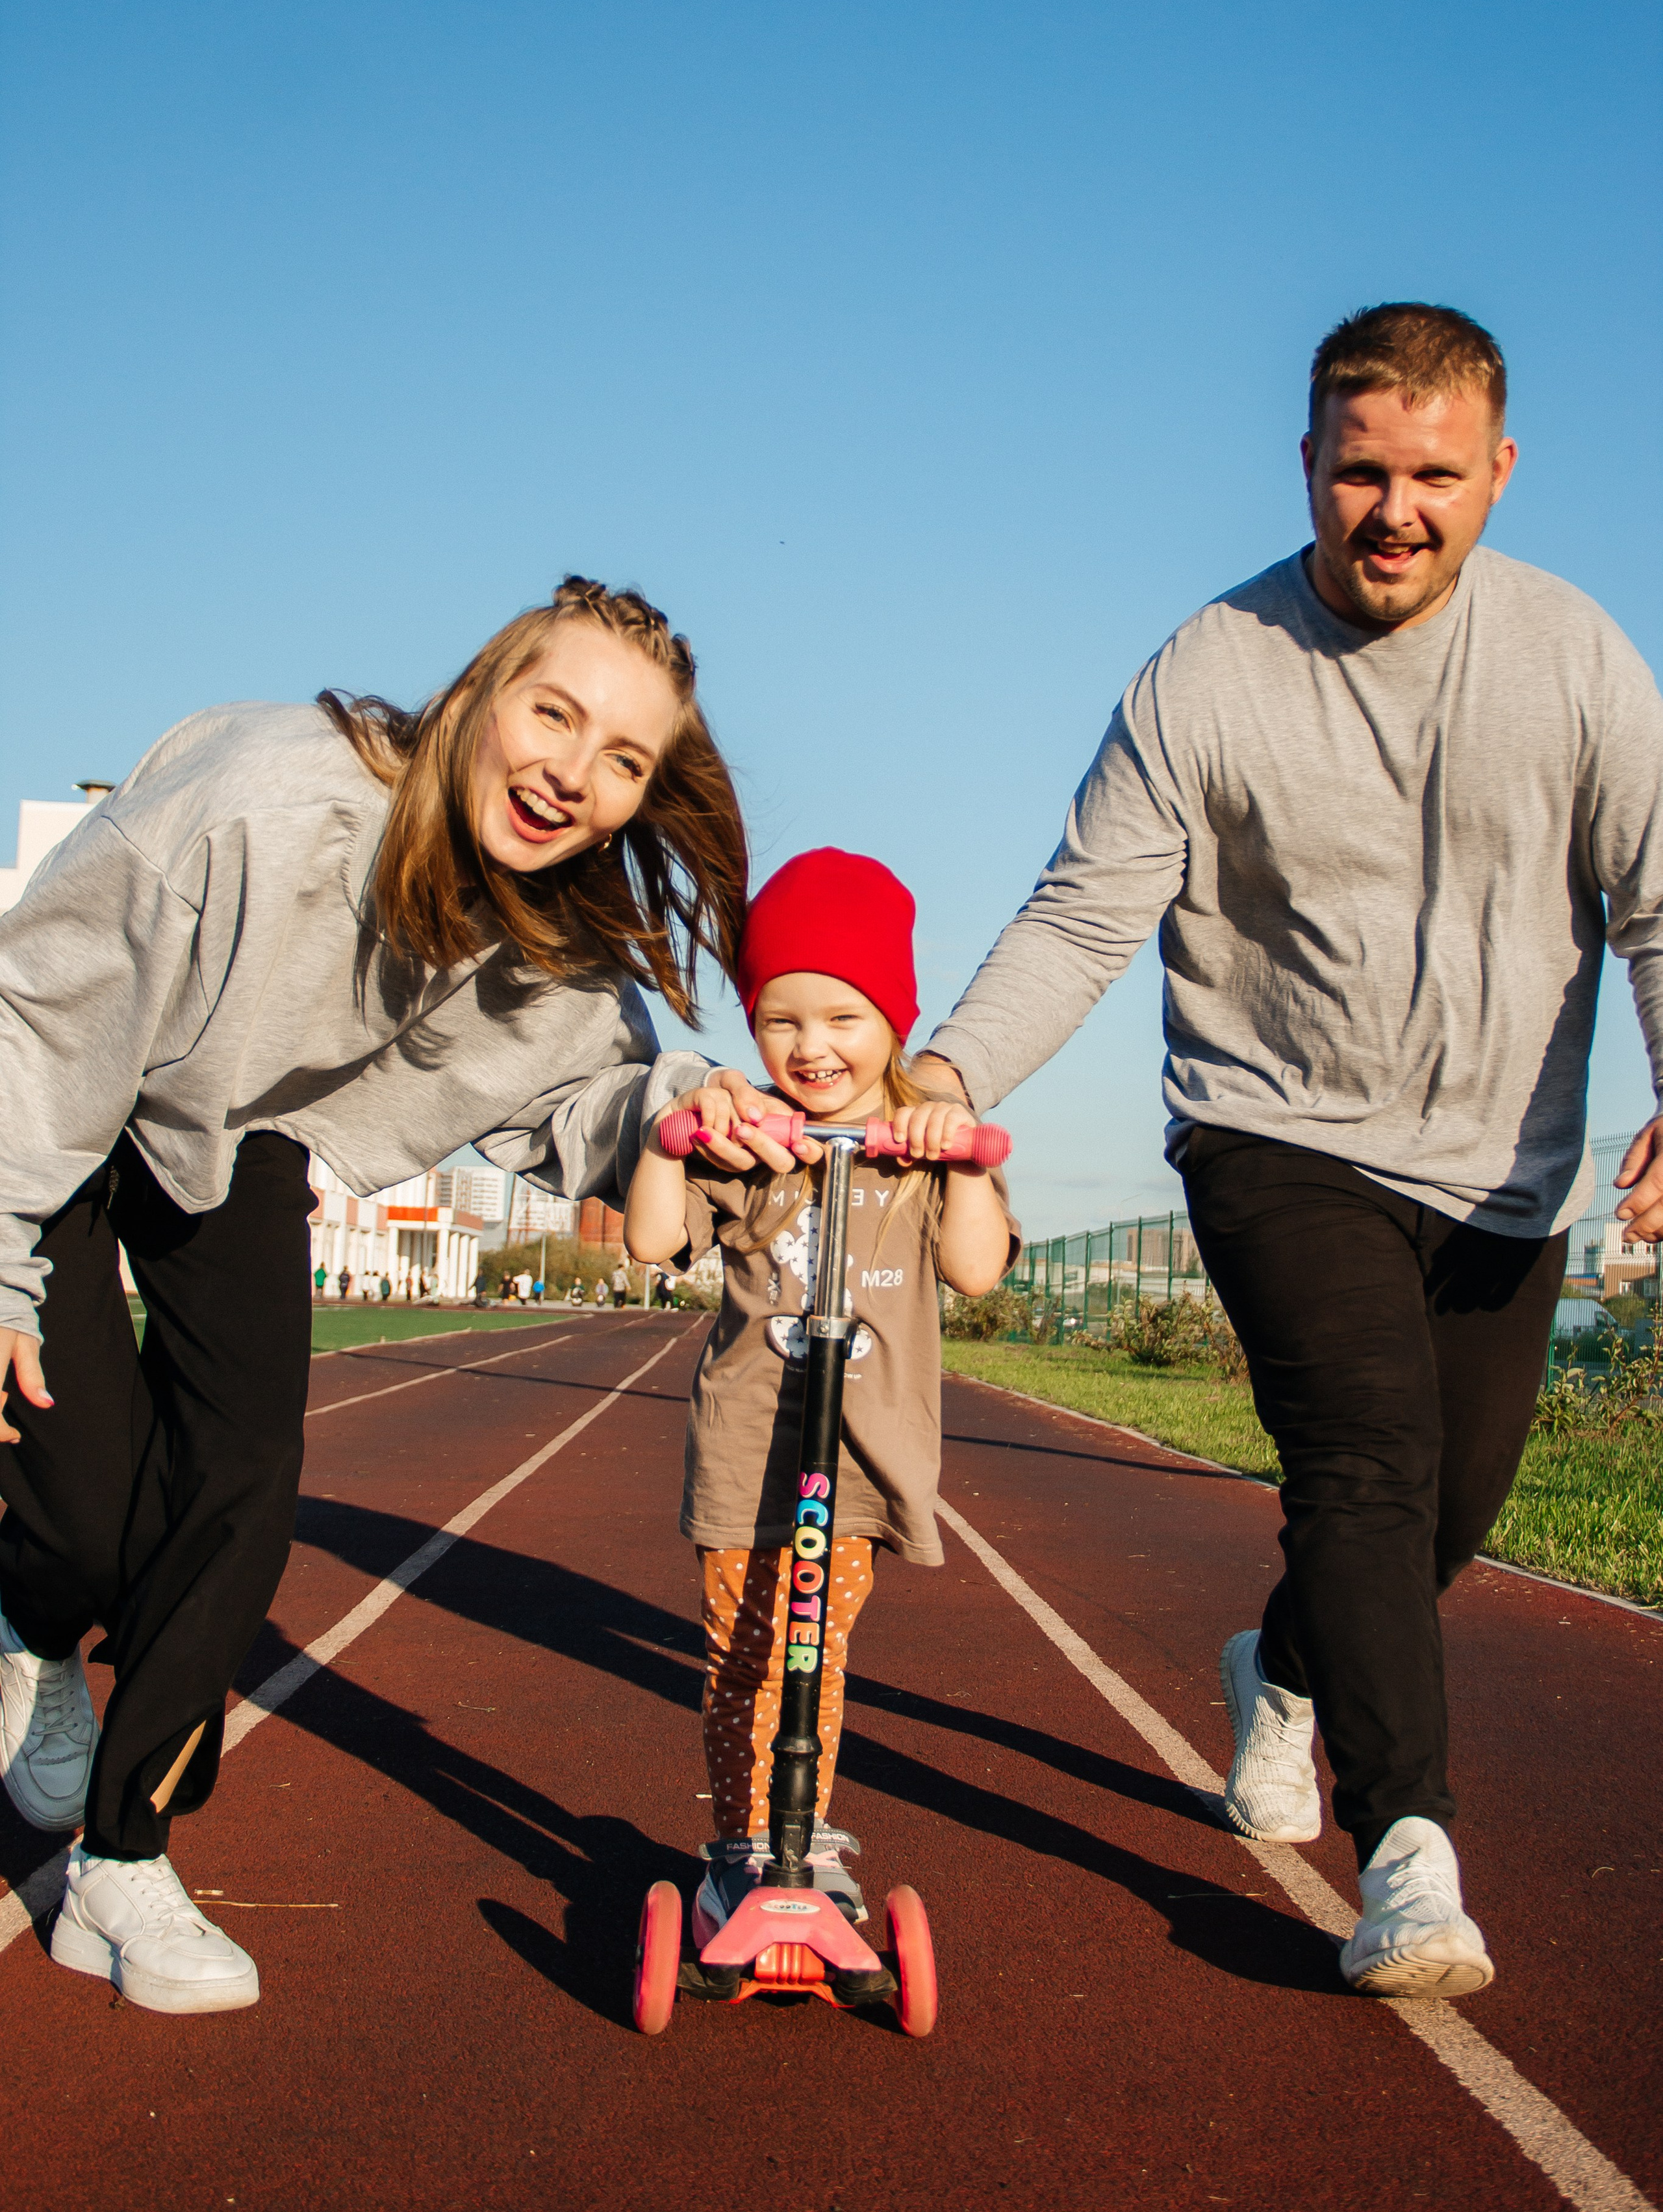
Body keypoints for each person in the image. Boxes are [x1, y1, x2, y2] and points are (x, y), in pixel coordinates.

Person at [909, 305, 1663, 2001]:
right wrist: (946, 1071)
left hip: (1505, 1167)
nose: (1394, 512)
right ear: (1308, 461)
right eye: (1360, 472)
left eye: (1434, 478)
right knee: (1367, 1462)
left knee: (1441, 1517)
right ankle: (1408, 1861)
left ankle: (1288, 1666)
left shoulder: (1574, 658)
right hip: (1274, 1127)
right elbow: (1083, 916)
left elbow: (1657, 901)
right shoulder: (1211, 671)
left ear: (1498, 471)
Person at [0, 576, 745, 2014]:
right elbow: (30, 1019)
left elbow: (588, 1093)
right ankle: (31, 1625)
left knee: (245, 1471)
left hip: (243, 1128)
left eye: (621, 761)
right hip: (71, 1088)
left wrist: (685, 1110)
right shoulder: (259, 799)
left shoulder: (560, 939)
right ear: (479, 692)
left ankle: (122, 1859)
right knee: (88, 1510)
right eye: (552, 714)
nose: (569, 773)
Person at [626, 848, 1017, 1933]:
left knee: (814, 1654)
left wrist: (964, 1160)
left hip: (860, 1454)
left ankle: (800, 1834)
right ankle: (745, 1843)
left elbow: (976, 1269)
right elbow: (653, 1238)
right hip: (751, 1447)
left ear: (893, 1019)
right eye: (781, 1021)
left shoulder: (923, 1144)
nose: (812, 1047)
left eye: (844, 1017)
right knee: (745, 1653)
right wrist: (670, 1139)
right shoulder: (752, 1139)